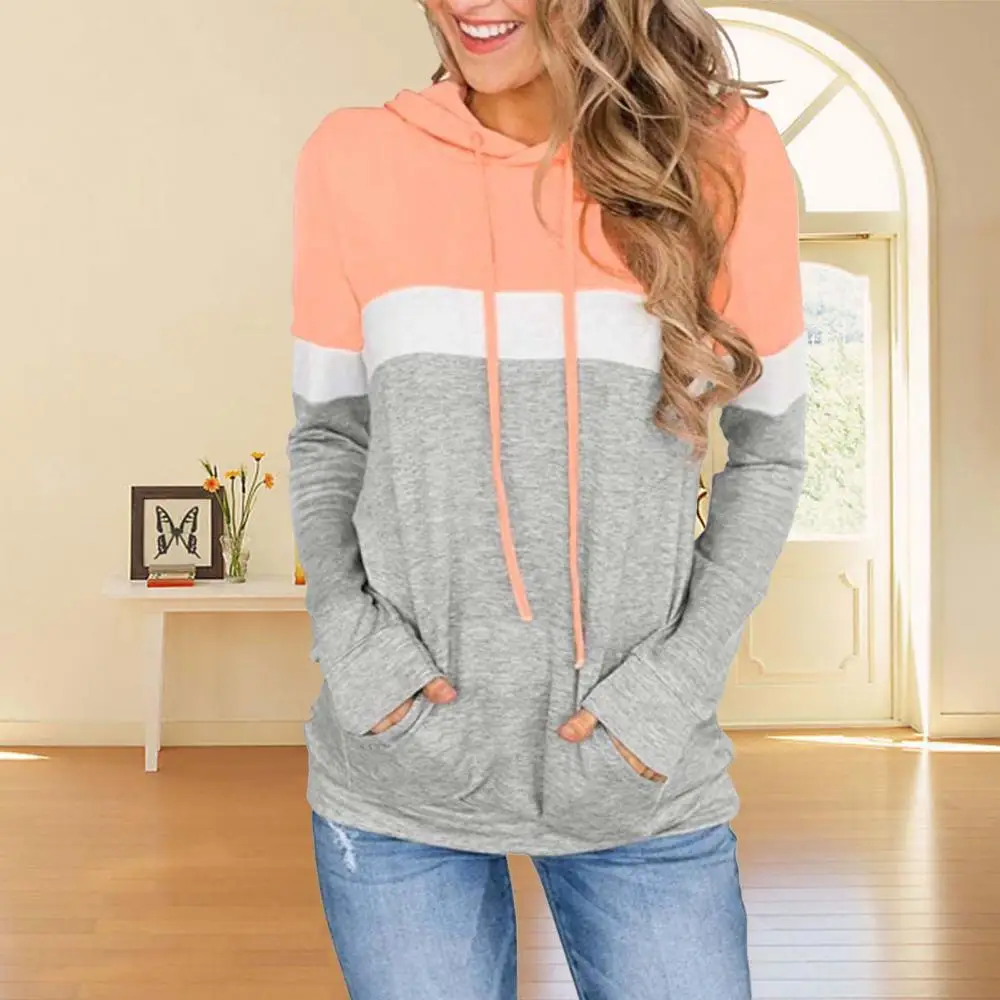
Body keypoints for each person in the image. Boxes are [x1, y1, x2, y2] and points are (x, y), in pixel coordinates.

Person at [287, 1, 806, 997]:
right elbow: (328, 436)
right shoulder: (351, 159)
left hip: (636, 774)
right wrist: (355, 650)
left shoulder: (721, 157)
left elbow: (770, 457)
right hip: (399, 773)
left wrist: (670, 690)